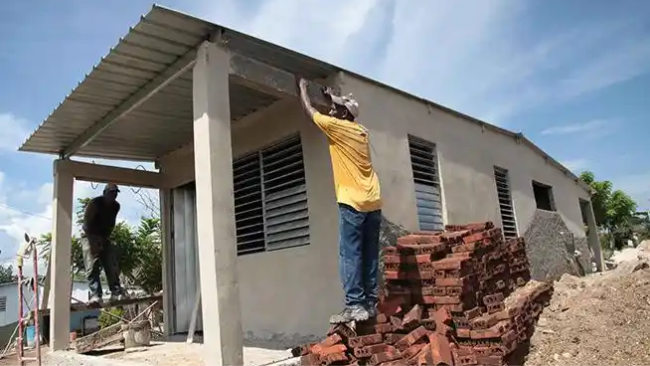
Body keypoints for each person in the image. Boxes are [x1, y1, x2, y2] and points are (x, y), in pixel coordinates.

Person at [298, 78, 382, 324]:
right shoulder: (361, 131)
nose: (331, 111)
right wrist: (334, 99)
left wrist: (303, 89)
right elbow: (338, 111)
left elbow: (311, 112)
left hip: (352, 202)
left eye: (336, 109)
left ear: (344, 114)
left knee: (350, 254)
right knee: (369, 254)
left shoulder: (338, 127)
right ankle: (369, 303)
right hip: (373, 201)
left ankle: (355, 305)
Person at [82, 183, 128, 304]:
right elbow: (86, 225)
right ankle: (95, 295)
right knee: (92, 265)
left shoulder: (116, 206)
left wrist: (104, 240)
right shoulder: (94, 204)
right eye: (111, 193)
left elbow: (111, 224)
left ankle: (116, 292)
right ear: (105, 193)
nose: (114, 195)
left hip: (103, 236)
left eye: (115, 193)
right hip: (89, 235)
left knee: (110, 263)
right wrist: (93, 243)